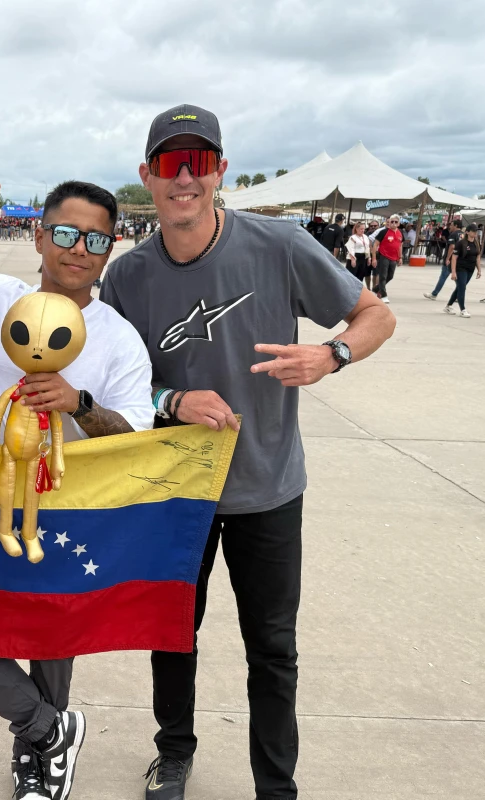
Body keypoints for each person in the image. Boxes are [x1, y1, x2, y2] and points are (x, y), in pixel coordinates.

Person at [99, 103, 395, 800]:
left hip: (267, 487)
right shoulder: (128, 277)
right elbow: (109, 392)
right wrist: (173, 402)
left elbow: (376, 314)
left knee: (273, 650)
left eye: (198, 163)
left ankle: (276, 785)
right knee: (170, 632)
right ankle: (173, 753)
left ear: (220, 171)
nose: (184, 178)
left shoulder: (278, 245)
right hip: (173, 491)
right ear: (147, 175)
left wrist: (332, 353)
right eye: (170, 164)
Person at [0, 180, 154, 800]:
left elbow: (134, 436)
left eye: (94, 238)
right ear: (39, 235)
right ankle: (49, 730)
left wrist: (79, 404)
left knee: (51, 643)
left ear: (110, 248)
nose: (77, 249)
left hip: (66, 514)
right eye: (63, 233)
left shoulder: (118, 339)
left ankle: (37, 758)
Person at [443, 224, 482, 318]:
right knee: (462, 288)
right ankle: (463, 309)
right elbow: (454, 258)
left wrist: (479, 270)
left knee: (460, 287)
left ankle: (448, 306)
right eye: (473, 231)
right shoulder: (461, 243)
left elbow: (477, 257)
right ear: (467, 232)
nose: (475, 233)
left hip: (470, 269)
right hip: (460, 268)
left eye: (476, 231)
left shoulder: (476, 243)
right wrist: (453, 271)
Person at [424, 219, 463, 300]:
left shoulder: (453, 234)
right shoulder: (463, 235)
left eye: (451, 225)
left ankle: (434, 294)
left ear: (456, 226)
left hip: (451, 259)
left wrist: (447, 258)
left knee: (443, 276)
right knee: (457, 279)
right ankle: (458, 296)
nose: (450, 227)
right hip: (459, 259)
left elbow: (452, 247)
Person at [370, 214, 402, 303]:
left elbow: (400, 246)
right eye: (392, 222)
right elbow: (375, 244)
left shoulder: (399, 233)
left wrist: (400, 257)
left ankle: (376, 288)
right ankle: (383, 295)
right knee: (383, 276)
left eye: (396, 222)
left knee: (390, 276)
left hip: (394, 258)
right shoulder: (383, 232)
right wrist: (374, 258)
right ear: (389, 223)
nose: (394, 223)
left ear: (399, 223)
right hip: (384, 256)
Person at [344, 220, 372, 286]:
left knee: (361, 274)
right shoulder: (352, 237)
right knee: (352, 274)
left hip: (363, 257)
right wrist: (353, 259)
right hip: (355, 256)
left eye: (363, 229)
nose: (362, 230)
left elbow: (367, 247)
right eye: (361, 229)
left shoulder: (365, 237)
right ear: (356, 229)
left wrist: (368, 257)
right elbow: (351, 248)